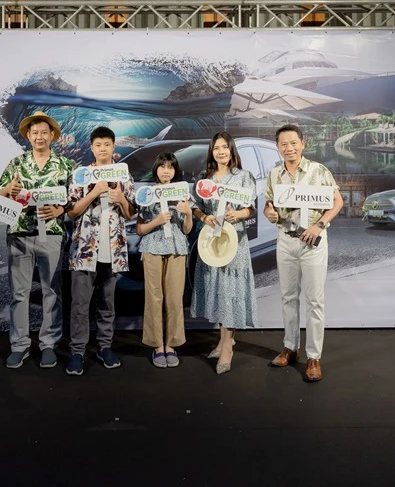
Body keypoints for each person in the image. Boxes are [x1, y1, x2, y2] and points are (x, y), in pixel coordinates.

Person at [264, 124, 343, 382]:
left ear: (303, 144)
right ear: (278, 147)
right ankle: (290, 347)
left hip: (313, 244)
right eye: (283, 144)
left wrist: (319, 225)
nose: (289, 148)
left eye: (293, 143)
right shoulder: (274, 174)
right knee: (288, 297)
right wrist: (269, 212)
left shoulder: (319, 171)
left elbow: (337, 202)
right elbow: (269, 205)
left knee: (315, 300)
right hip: (286, 241)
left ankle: (313, 356)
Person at [0, 111, 75, 369]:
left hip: (51, 233)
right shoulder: (16, 164)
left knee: (51, 290)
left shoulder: (66, 165)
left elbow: (74, 199)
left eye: (44, 132)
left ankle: (49, 344)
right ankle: (19, 345)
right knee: (19, 293)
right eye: (34, 132)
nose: (39, 136)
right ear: (28, 136)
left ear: (52, 135)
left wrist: (60, 210)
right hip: (19, 233)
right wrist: (8, 190)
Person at [64, 126, 136, 375]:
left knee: (107, 304)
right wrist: (94, 192)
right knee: (80, 305)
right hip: (84, 250)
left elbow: (130, 214)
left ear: (114, 147)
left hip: (113, 250)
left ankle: (105, 347)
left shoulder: (124, 175)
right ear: (92, 148)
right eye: (98, 145)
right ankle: (77, 351)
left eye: (107, 144)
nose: (103, 149)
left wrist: (121, 199)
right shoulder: (80, 175)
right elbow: (71, 212)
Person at [191, 132, 259, 375]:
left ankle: (228, 348)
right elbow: (195, 206)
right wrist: (204, 217)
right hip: (211, 242)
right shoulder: (204, 178)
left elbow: (251, 208)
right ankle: (223, 341)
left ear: (231, 150)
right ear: (212, 152)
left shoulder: (243, 176)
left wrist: (237, 214)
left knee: (231, 291)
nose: (221, 152)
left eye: (224, 147)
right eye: (216, 148)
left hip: (234, 241)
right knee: (218, 290)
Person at [136, 152, 193, 368]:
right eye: (162, 167)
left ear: (175, 171)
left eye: (170, 167)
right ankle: (157, 346)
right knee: (154, 298)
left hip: (177, 249)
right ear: (156, 170)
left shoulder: (182, 193)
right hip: (152, 248)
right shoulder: (146, 194)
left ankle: (172, 345)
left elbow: (187, 230)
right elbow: (140, 229)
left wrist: (188, 213)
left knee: (174, 298)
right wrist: (157, 221)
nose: (166, 171)